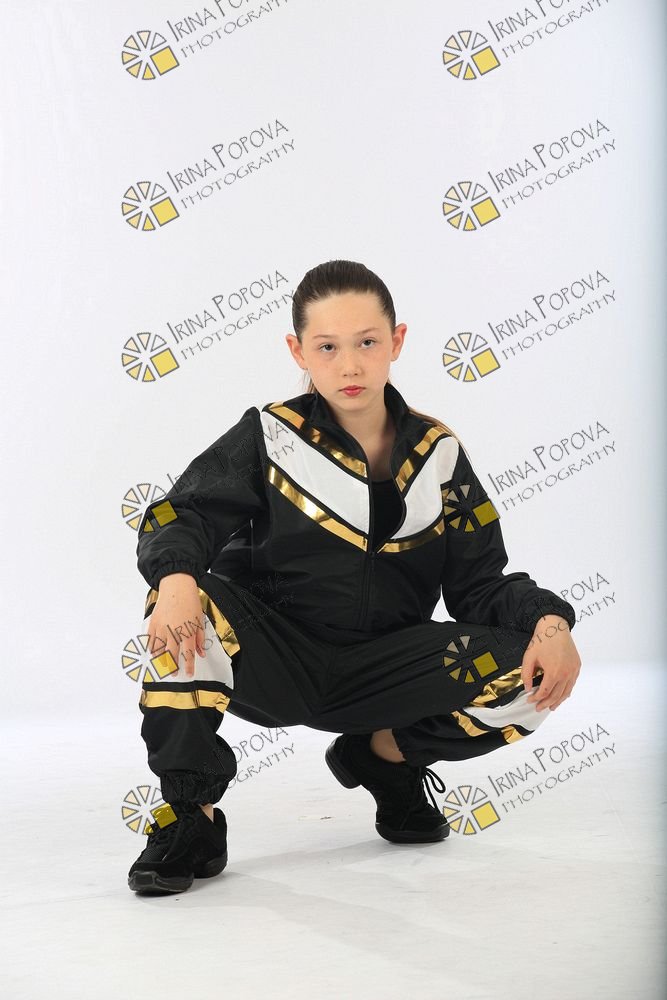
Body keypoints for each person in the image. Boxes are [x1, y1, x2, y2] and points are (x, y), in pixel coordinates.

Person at [128, 259, 582, 895]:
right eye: (327, 347)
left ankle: (383, 757)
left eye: (367, 342)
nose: (350, 366)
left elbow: (480, 584)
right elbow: (181, 515)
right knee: (182, 604)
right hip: (275, 658)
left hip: (383, 671)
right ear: (299, 352)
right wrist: (177, 579)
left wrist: (550, 622)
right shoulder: (269, 436)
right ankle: (190, 818)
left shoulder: (439, 454)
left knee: (526, 670)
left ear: (397, 341)